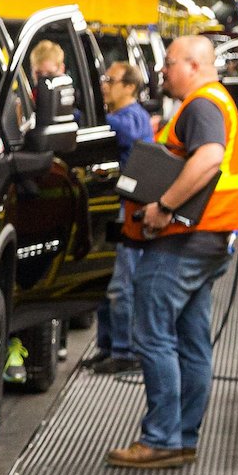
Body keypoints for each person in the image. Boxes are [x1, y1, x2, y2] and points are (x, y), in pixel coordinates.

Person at [106, 34, 238, 469]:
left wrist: (164, 207)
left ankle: (162, 437)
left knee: (152, 335)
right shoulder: (213, 101)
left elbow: (208, 159)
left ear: (194, 65)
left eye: (168, 63)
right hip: (209, 238)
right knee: (191, 339)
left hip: (185, 239)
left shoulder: (202, 104)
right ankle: (182, 436)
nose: (161, 71)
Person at [86, 61, 156, 373]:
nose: (104, 85)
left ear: (129, 86)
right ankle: (107, 345)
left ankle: (125, 351)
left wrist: (88, 117)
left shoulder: (133, 118)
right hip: (110, 210)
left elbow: (127, 135)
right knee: (106, 276)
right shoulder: (118, 116)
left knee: (122, 282)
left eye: (110, 80)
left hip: (127, 211)